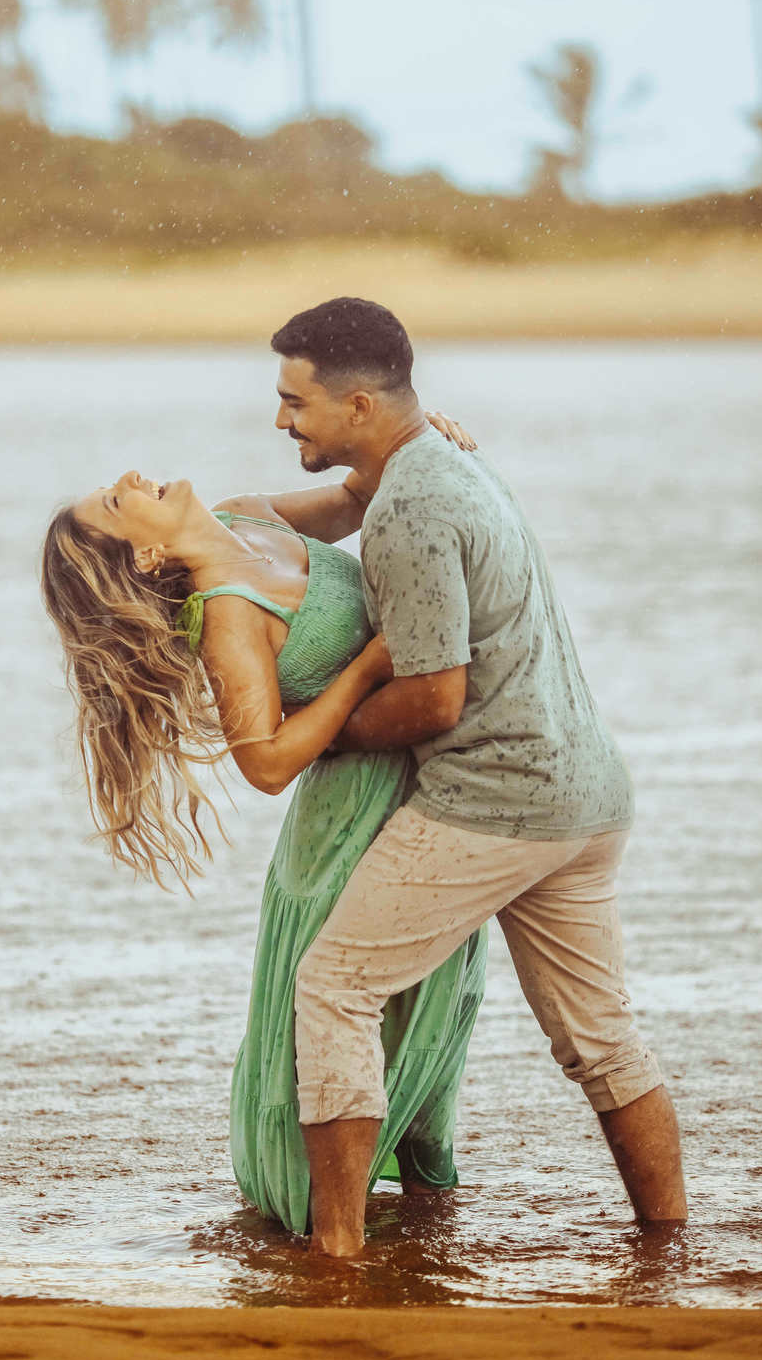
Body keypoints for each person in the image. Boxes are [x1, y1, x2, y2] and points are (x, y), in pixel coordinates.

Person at [269, 297, 689, 1256]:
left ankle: (337, 1253)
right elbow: (275, 517)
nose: (281, 420)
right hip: (586, 794)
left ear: (361, 405)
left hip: (495, 802)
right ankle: (669, 1248)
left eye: (295, 402)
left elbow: (433, 699)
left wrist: (323, 733)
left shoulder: (410, 509)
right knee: (601, 1038)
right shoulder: (448, 462)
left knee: (332, 987)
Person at [40, 439, 488, 1235]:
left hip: (426, 788)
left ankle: (422, 1233)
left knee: (432, 1011)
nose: (130, 477)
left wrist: (421, 439)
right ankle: (331, 1232)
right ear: (145, 555)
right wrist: (364, 671)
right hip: (348, 828)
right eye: (114, 500)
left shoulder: (249, 516)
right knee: (363, 1022)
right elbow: (268, 764)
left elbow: (358, 498)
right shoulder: (227, 617)